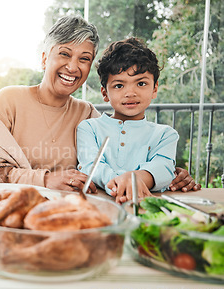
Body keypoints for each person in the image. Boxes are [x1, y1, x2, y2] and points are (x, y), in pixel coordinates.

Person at [0, 15, 200, 193]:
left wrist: (171, 175)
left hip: (67, 214)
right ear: (45, 58)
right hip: (6, 208)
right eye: (64, 54)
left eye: (84, 59)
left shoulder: (87, 115)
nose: (73, 67)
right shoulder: (10, 99)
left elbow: (118, 160)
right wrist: (44, 179)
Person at [77, 37, 179, 203]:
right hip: (99, 206)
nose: (130, 93)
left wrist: (137, 178)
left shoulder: (165, 134)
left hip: (145, 207)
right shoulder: (89, 128)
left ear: (155, 89)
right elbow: (91, 166)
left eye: (141, 84)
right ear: (104, 93)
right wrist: (124, 184)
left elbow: (164, 167)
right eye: (119, 85)